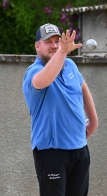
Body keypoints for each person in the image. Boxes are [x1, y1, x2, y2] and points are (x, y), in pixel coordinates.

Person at [22, 23, 98, 196]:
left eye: (57, 41)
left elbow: (83, 91)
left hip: (80, 148)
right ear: (37, 46)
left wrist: (93, 121)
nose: (54, 45)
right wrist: (62, 52)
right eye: (48, 42)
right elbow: (43, 80)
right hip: (51, 152)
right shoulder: (33, 72)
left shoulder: (70, 65)